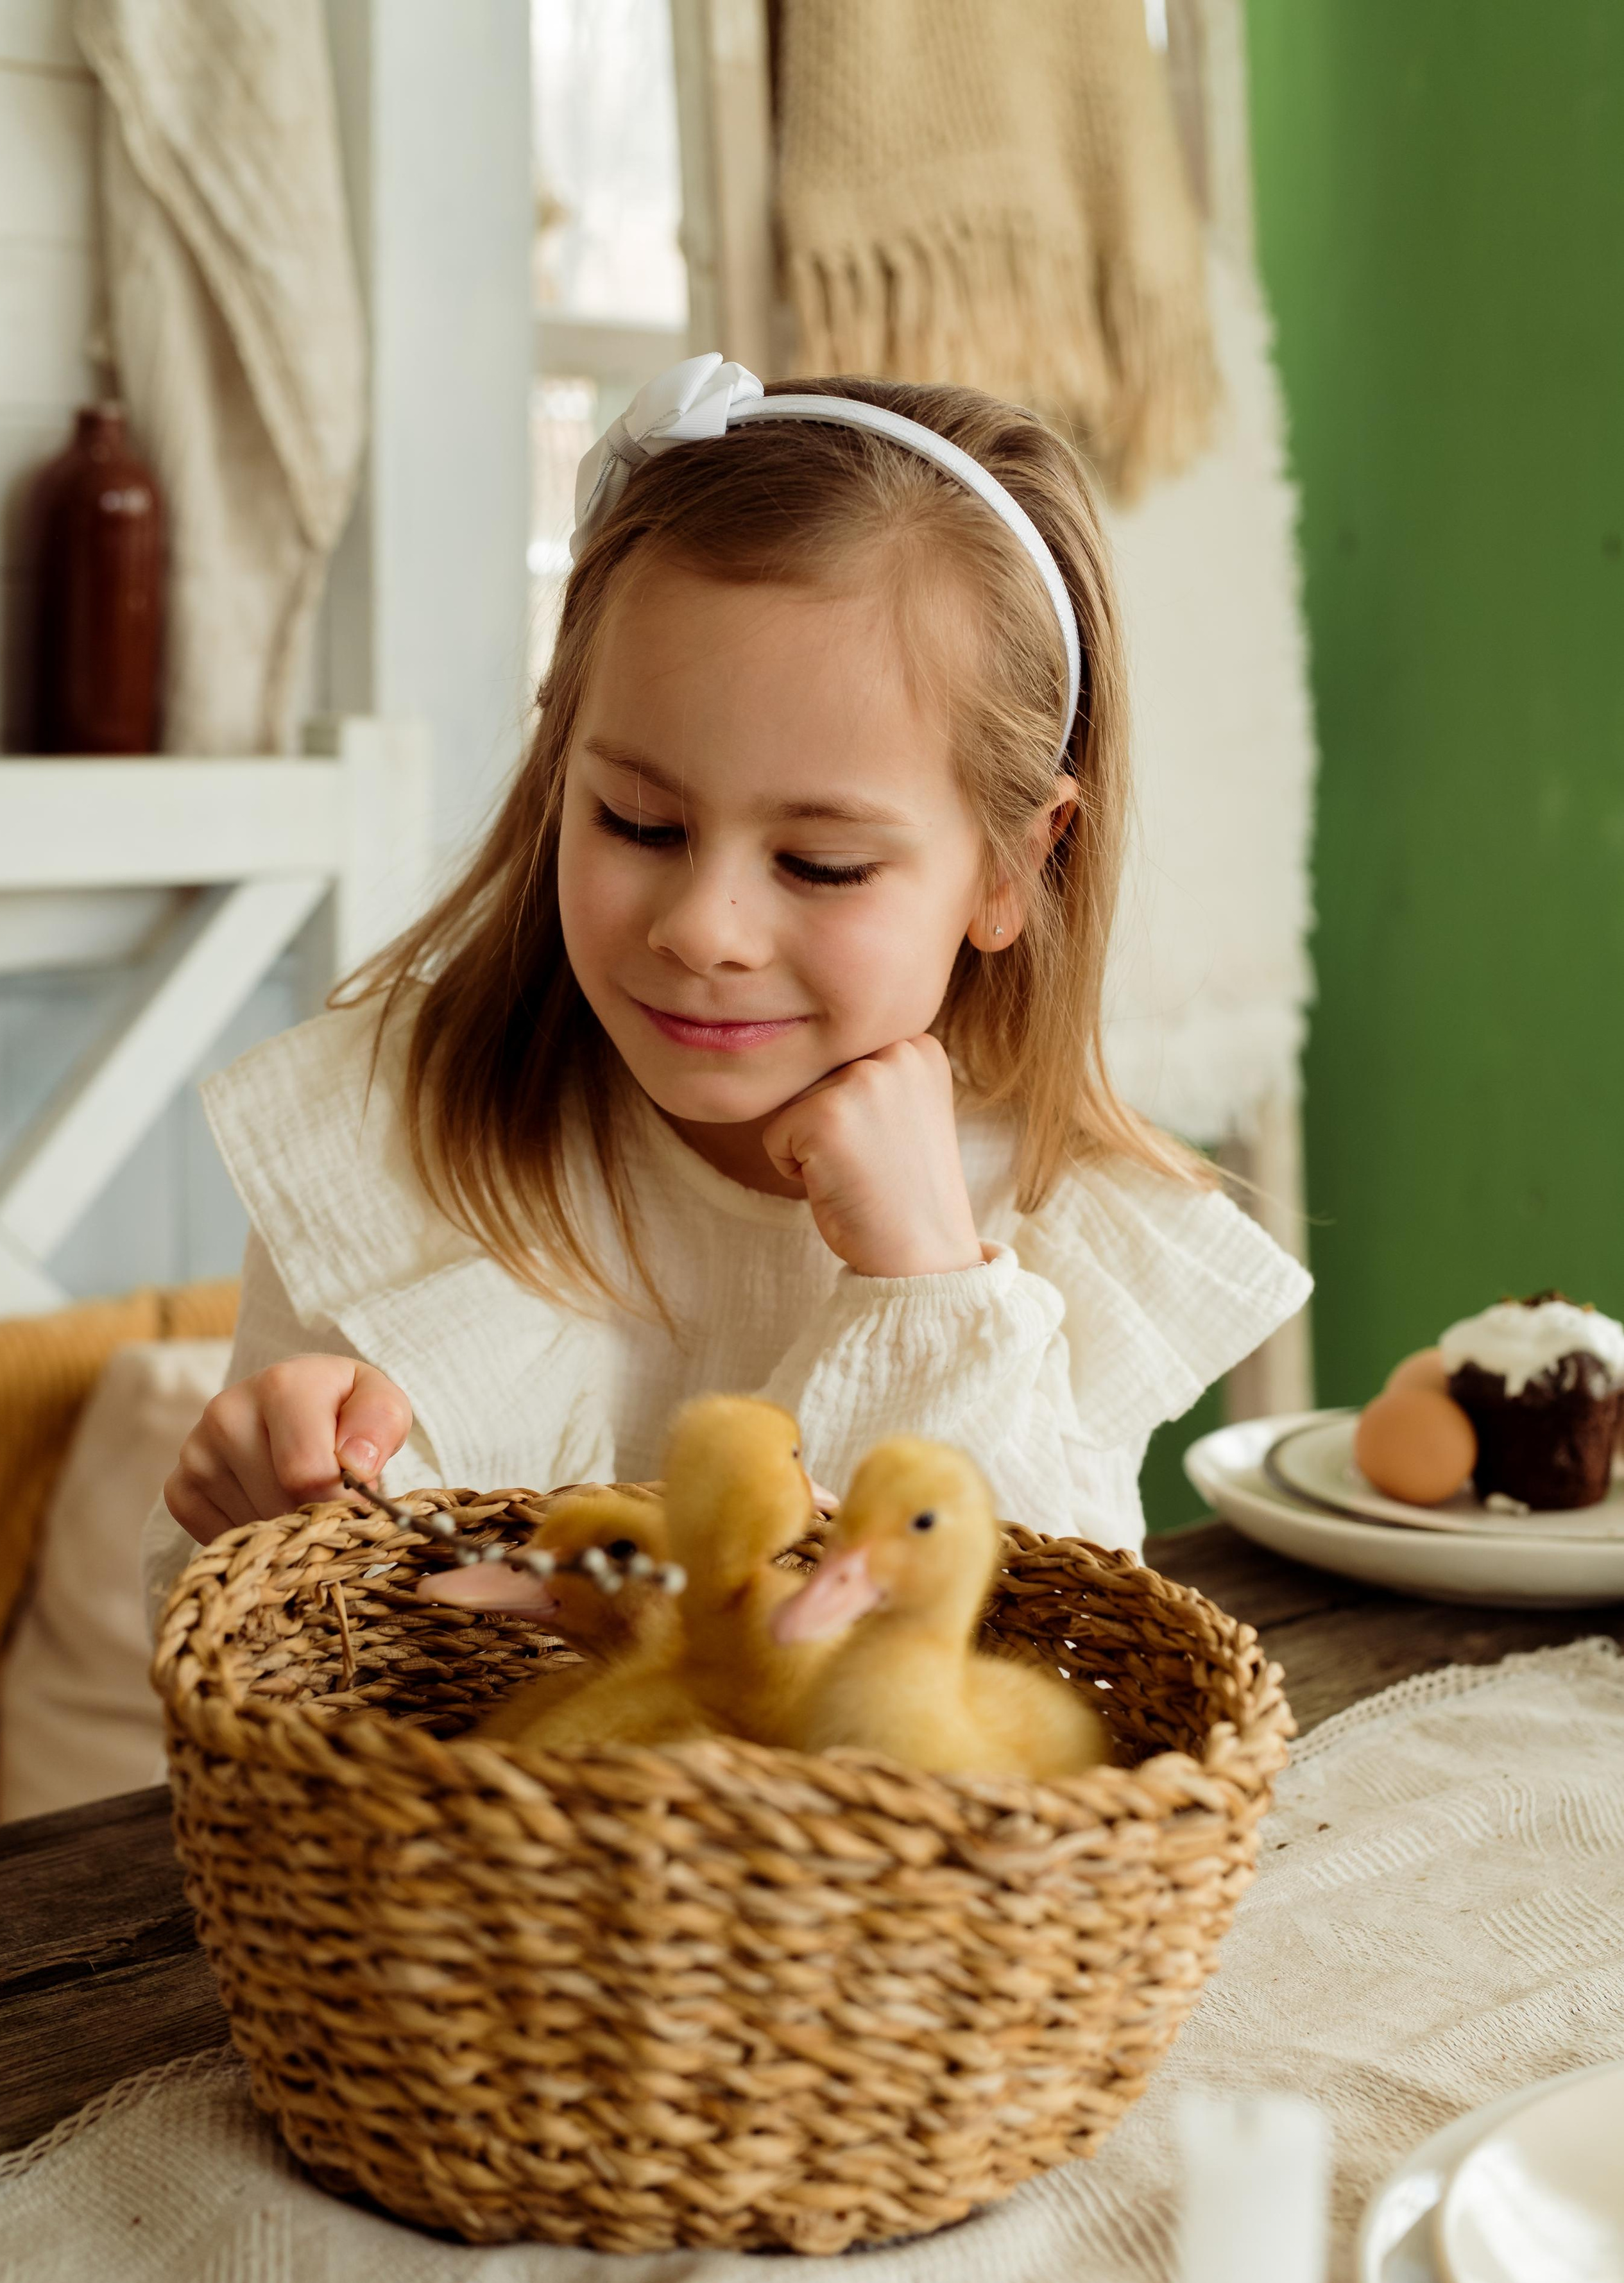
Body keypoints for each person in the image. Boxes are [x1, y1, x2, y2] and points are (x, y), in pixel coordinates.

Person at [146, 357, 1309, 1611]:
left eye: (820, 863)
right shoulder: (394, 1142)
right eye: (639, 823)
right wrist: (267, 1511)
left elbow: (1045, 1688)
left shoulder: (1055, 1229)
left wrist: (925, 1278)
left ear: (1016, 867)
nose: (705, 929)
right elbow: (243, 1671)